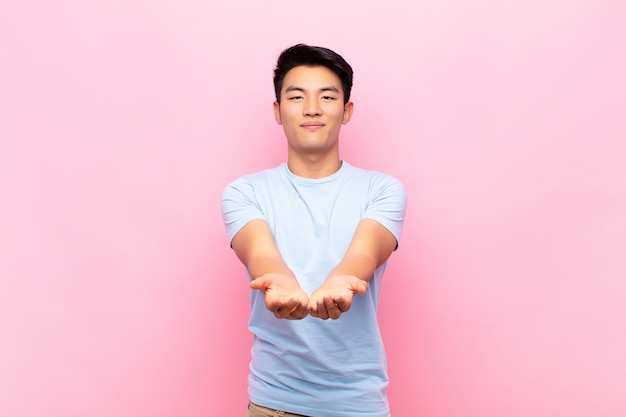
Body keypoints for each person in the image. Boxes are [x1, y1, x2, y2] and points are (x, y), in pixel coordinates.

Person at [221, 43, 407, 417]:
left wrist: (344, 280)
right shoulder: (244, 192)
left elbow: (365, 252)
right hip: (274, 404)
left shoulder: (382, 189)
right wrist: (278, 280)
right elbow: (260, 253)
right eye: (296, 96)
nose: (312, 108)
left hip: (359, 405)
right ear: (277, 111)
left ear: (347, 110)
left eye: (326, 96)